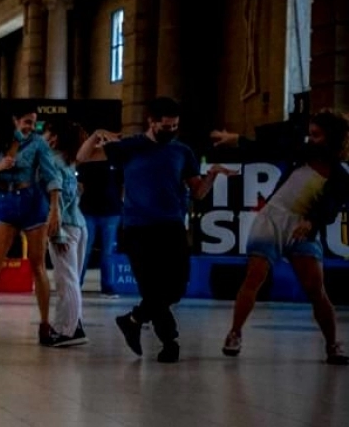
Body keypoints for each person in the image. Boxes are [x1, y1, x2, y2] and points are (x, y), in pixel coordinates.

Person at [77, 96, 231, 363]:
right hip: (139, 228)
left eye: (174, 126)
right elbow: (83, 156)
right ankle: (169, 342)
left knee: (175, 288)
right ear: (151, 121)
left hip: (171, 226)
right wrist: (97, 134)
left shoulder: (183, 151)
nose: (170, 131)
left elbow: (197, 191)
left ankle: (133, 319)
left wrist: (213, 174)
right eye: (165, 126)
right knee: (152, 289)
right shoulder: (130, 147)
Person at [212, 111, 349, 365]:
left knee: (316, 289)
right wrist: (236, 139)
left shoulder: (339, 176)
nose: (311, 139)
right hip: (273, 218)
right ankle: (235, 333)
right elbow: (268, 146)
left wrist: (311, 223)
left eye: (316, 135)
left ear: (331, 137)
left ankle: (332, 344)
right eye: (310, 133)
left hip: (303, 226)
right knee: (254, 275)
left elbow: (330, 207)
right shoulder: (303, 154)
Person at [0, 107, 62, 346]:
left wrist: (54, 209)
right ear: (15, 120)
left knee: (37, 264)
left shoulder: (38, 144)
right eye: (26, 121)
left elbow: (52, 176)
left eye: (33, 123)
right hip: (6, 201)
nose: (30, 126)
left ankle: (44, 323)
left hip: (32, 201)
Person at [41, 118, 89, 347]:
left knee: (65, 280)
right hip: (79, 224)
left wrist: (56, 231)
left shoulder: (52, 161)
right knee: (73, 279)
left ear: (54, 137)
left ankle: (68, 331)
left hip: (65, 227)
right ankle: (73, 324)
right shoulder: (69, 163)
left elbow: (58, 197)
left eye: (45, 132)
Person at [76, 154, 123, 297]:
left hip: (111, 212)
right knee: (85, 250)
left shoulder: (116, 161)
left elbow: (122, 184)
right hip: (88, 211)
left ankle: (107, 287)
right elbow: (80, 186)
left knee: (107, 252)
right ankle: (76, 285)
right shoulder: (85, 162)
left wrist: (120, 203)